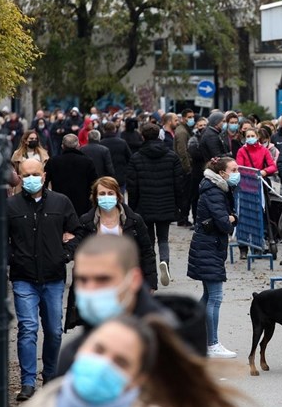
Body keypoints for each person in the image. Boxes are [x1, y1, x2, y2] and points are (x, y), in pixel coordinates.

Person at [1, 315, 240, 407]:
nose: (103, 364)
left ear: (138, 380)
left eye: (121, 362)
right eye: (99, 349)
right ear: (81, 348)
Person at [54, 235, 206, 378]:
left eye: (103, 279)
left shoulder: (171, 343)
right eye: (83, 279)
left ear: (134, 279)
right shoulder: (74, 355)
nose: (91, 289)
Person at [7, 158, 82, 401]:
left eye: (35, 174)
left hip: (52, 276)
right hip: (24, 277)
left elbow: (78, 231)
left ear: (44, 175)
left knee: (54, 330)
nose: (31, 179)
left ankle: (50, 376)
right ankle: (28, 382)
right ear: (19, 176)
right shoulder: (11, 206)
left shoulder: (61, 202)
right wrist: (13, 258)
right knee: (28, 329)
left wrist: (66, 254)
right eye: (26, 174)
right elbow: (0, 238)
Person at [187, 156, 239, 359]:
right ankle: (212, 343)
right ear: (221, 173)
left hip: (208, 246)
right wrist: (232, 219)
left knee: (208, 295)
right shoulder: (215, 192)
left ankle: (193, 334)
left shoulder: (217, 189)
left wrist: (231, 217)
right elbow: (224, 223)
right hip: (209, 247)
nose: (237, 173)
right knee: (215, 297)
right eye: (233, 170)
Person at [127, 123, 183, 287]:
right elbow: (178, 183)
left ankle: (150, 268)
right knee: (163, 238)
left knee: (148, 239)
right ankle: (164, 261)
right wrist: (179, 205)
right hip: (166, 203)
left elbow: (132, 186)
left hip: (144, 205)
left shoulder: (136, 158)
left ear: (142, 137)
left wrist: (132, 207)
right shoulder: (172, 156)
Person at [79, 177, 158, 290]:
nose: (106, 197)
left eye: (110, 193)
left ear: (117, 195)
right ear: (96, 197)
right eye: (102, 193)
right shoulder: (87, 222)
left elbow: (147, 253)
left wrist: (151, 284)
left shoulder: (134, 220)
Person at [44, 134, 99, 216]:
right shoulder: (87, 162)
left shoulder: (53, 162)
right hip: (82, 204)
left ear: (62, 146)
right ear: (78, 145)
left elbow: (44, 181)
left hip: (59, 203)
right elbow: (94, 183)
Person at [174, 109, 195, 227]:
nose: (191, 119)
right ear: (183, 118)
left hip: (184, 167)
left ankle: (183, 217)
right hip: (184, 168)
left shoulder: (185, 130)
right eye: (189, 117)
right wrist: (188, 168)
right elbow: (183, 152)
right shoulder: (182, 132)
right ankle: (183, 218)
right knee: (185, 195)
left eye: (192, 116)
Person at [100, 122, 132, 193]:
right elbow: (129, 157)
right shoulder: (122, 142)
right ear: (114, 130)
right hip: (121, 174)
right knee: (120, 197)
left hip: (106, 177)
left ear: (104, 130)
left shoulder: (101, 143)